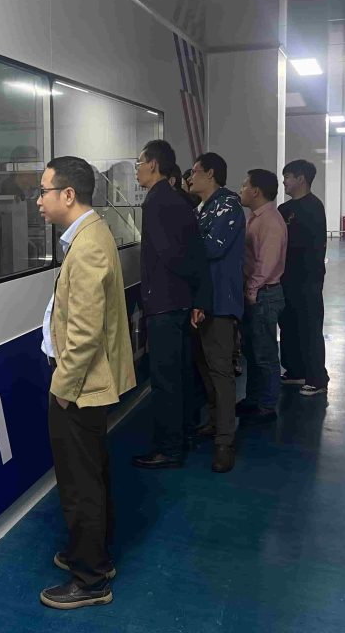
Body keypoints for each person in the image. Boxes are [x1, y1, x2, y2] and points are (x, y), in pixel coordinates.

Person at [37, 156, 136, 610]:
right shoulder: (88, 235)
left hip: (78, 388)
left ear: (68, 194)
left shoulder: (89, 244)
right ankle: (91, 554)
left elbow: (84, 333)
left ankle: (91, 578)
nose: (39, 201)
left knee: (79, 483)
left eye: (44, 191)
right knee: (89, 473)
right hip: (82, 384)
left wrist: (62, 387)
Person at [132, 140, 209, 469]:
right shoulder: (178, 199)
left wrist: (157, 291)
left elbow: (170, 255)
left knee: (164, 380)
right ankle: (185, 432)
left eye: (139, 162)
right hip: (179, 301)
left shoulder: (156, 202)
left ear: (153, 164)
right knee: (180, 374)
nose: (136, 169)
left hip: (164, 303)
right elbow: (194, 254)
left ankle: (169, 448)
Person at [188, 152, 245, 472]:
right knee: (205, 367)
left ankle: (225, 441)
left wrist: (180, 241)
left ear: (210, 174)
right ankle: (214, 421)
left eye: (194, 172)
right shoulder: (203, 208)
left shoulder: (228, 206)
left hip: (220, 303)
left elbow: (211, 247)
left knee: (221, 372)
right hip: (201, 301)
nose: (189, 177)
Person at [236, 169, 287, 422]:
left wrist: (251, 290)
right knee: (252, 352)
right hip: (256, 292)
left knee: (265, 354)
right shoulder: (256, 218)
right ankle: (253, 398)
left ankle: (266, 406)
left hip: (264, 294)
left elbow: (266, 264)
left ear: (255, 191)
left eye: (244, 184)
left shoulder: (270, 222)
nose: (241, 189)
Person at [278, 159, 329, 396]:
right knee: (288, 324)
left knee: (309, 327)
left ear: (301, 179)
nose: (284, 182)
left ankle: (317, 378)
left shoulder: (314, 207)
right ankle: (295, 370)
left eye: (287, 177)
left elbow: (313, 248)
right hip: (286, 278)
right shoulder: (284, 209)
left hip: (307, 279)